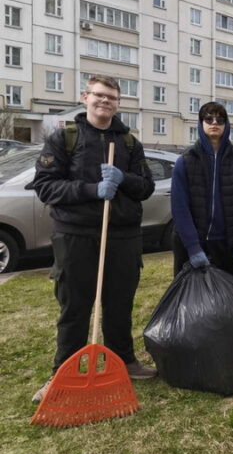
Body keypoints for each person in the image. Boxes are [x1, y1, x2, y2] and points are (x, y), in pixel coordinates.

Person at [31, 75, 157, 403]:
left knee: (119, 303)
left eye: (112, 97)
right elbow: (45, 186)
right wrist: (91, 190)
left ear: (118, 103)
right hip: (76, 234)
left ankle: (124, 360)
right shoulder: (65, 138)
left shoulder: (129, 142)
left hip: (123, 235)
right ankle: (62, 372)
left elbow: (146, 187)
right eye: (99, 95)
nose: (105, 102)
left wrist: (124, 178)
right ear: (85, 97)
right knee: (75, 305)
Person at [171, 102, 233, 279]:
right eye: (209, 119)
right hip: (193, 244)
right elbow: (179, 207)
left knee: (228, 300)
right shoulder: (186, 160)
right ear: (201, 123)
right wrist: (193, 247)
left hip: (229, 244)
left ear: (226, 125)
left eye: (220, 119)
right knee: (194, 301)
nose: (214, 123)